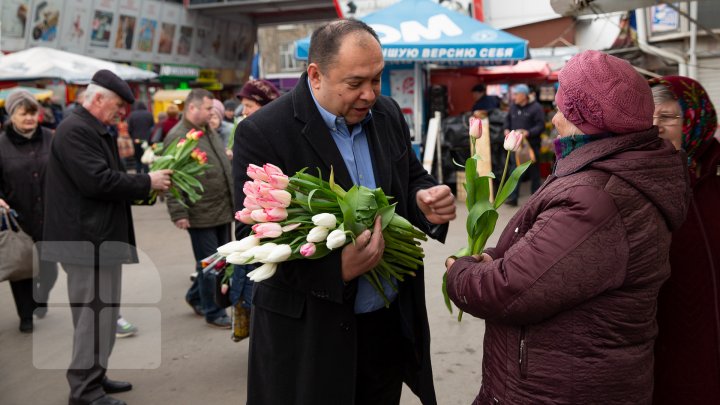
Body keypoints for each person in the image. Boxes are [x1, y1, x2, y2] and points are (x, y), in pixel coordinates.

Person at [445, 50, 690, 404]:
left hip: (561, 387)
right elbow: (543, 252)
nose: (556, 119)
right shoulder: (601, 171)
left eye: (563, 109)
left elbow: (508, 289)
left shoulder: (595, 197)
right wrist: (496, 256)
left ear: (585, 119)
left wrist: (460, 272)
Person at [233, 19, 456, 405]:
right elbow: (252, 239)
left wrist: (426, 200)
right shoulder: (264, 131)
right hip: (311, 336)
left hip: (384, 326)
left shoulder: (387, 115)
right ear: (315, 75)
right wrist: (334, 271)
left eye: (377, 79)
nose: (369, 94)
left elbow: (411, 177)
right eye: (355, 83)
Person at [42, 69, 172, 405]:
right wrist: (147, 182)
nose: (121, 113)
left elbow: (106, 179)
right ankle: (85, 390)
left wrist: (143, 187)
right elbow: (97, 181)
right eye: (117, 106)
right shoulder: (76, 131)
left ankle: (95, 377)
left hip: (96, 237)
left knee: (103, 314)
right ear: (97, 99)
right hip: (85, 240)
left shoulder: (92, 129)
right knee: (93, 316)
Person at [650, 76, 720, 405]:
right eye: (650, 118)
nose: (657, 127)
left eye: (667, 117)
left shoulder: (714, 179)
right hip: (661, 325)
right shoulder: (643, 177)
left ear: (695, 118)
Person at [165, 88, 235, 329]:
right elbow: (171, 176)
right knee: (213, 265)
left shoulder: (205, 130)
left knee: (217, 260)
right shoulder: (178, 135)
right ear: (192, 108)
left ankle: (196, 296)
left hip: (221, 208)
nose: (211, 112)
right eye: (207, 108)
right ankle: (214, 311)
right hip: (200, 211)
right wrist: (179, 212)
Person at [0, 89, 58, 332]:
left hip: (50, 213)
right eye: (24, 114)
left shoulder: (50, 138)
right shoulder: (1, 144)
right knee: (23, 268)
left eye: (33, 114)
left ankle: (40, 297)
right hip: (18, 216)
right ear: (12, 115)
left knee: (49, 267)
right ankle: (26, 315)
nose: (29, 119)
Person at [503, 83, 545, 204]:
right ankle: (513, 197)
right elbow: (507, 121)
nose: (514, 96)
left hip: (531, 146)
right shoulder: (513, 107)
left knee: (534, 172)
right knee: (514, 171)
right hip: (515, 146)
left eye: (516, 94)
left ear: (524, 95)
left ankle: (536, 199)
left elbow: (541, 125)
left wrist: (528, 132)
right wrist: (506, 129)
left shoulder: (536, 108)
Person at [127, 101, 155, 173]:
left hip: (136, 139)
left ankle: (138, 173)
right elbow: (152, 127)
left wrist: (132, 137)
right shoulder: (149, 114)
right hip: (147, 139)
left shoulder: (132, 115)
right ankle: (146, 173)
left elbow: (129, 128)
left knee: (137, 158)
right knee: (146, 157)